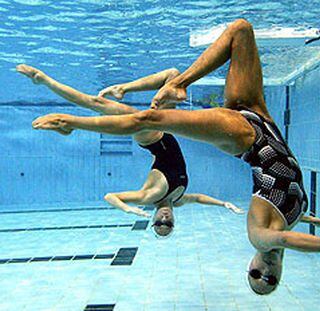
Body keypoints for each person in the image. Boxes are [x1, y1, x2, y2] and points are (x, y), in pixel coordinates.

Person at [31, 19, 320, 294]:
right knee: (241, 31)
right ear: (278, 275)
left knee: (146, 117)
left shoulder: (260, 236)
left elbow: (283, 237)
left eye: (255, 276)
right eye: (270, 280)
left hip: (244, 140)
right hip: (263, 119)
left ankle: (71, 123)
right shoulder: (285, 225)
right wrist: (307, 215)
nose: (264, 273)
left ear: (251, 264)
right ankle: (177, 82)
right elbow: (287, 214)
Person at [17, 64, 244, 237]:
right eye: (169, 224)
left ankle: (55, 99)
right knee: (173, 77)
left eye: (159, 223)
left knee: (98, 104)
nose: (164, 219)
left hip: (152, 136)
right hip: (166, 128)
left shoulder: (149, 197)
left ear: (153, 219)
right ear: (174, 220)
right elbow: (200, 198)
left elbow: (110, 196)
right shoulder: (178, 200)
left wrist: (128, 210)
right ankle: (121, 88)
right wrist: (224, 204)